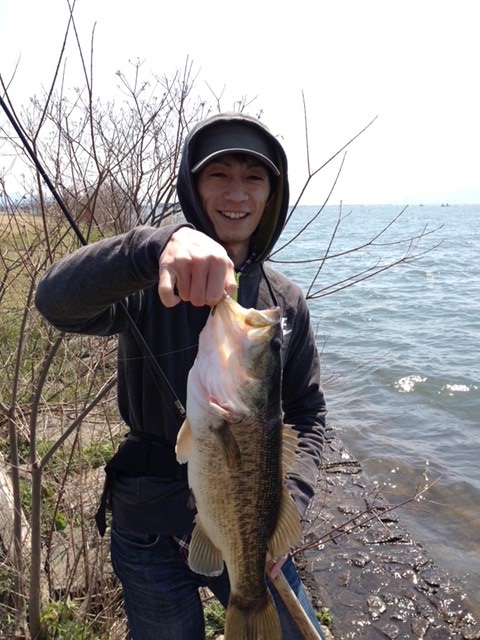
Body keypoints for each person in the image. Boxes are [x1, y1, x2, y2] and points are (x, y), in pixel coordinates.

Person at [35, 112, 327, 640]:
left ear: (271, 196)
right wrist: (152, 249)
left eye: (254, 178)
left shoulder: (283, 303)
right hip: (145, 526)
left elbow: (307, 413)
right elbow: (54, 303)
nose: (236, 192)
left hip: (247, 526)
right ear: (193, 186)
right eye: (218, 175)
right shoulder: (150, 276)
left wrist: (284, 513)